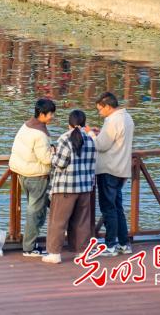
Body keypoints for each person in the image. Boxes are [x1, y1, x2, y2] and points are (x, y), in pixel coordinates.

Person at [43, 110, 96, 264]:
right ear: (84, 123)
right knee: (82, 221)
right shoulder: (90, 139)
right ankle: (81, 252)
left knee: (58, 221)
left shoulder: (64, 139)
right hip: (85, 187)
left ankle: (54, 253)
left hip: (65, 188)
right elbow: (92, 163)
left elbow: (60, 163)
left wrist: (53, 153)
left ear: (69, 123)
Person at [88, 92, 134, 257]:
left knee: (108, 208)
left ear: (108, 106)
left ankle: (110, 245)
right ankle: (124, 243)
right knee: (117, 208)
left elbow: (101, 145)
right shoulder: (127, 117)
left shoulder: (113, 120)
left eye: (100, 109)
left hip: (108, 169)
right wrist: (101, 132)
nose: (100, 113)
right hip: (121, 169)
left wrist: (91, 134)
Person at [9, 98, 55, 257]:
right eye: (50, 114)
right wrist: (55, 151)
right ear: (42, 114)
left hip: (23, 173)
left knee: (35, 209)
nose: (52, 117)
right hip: (36, 176)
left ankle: (31, 243)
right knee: (35, 211)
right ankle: (29, 248)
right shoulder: (40, 134)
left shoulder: (26, 126)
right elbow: (47, 159)